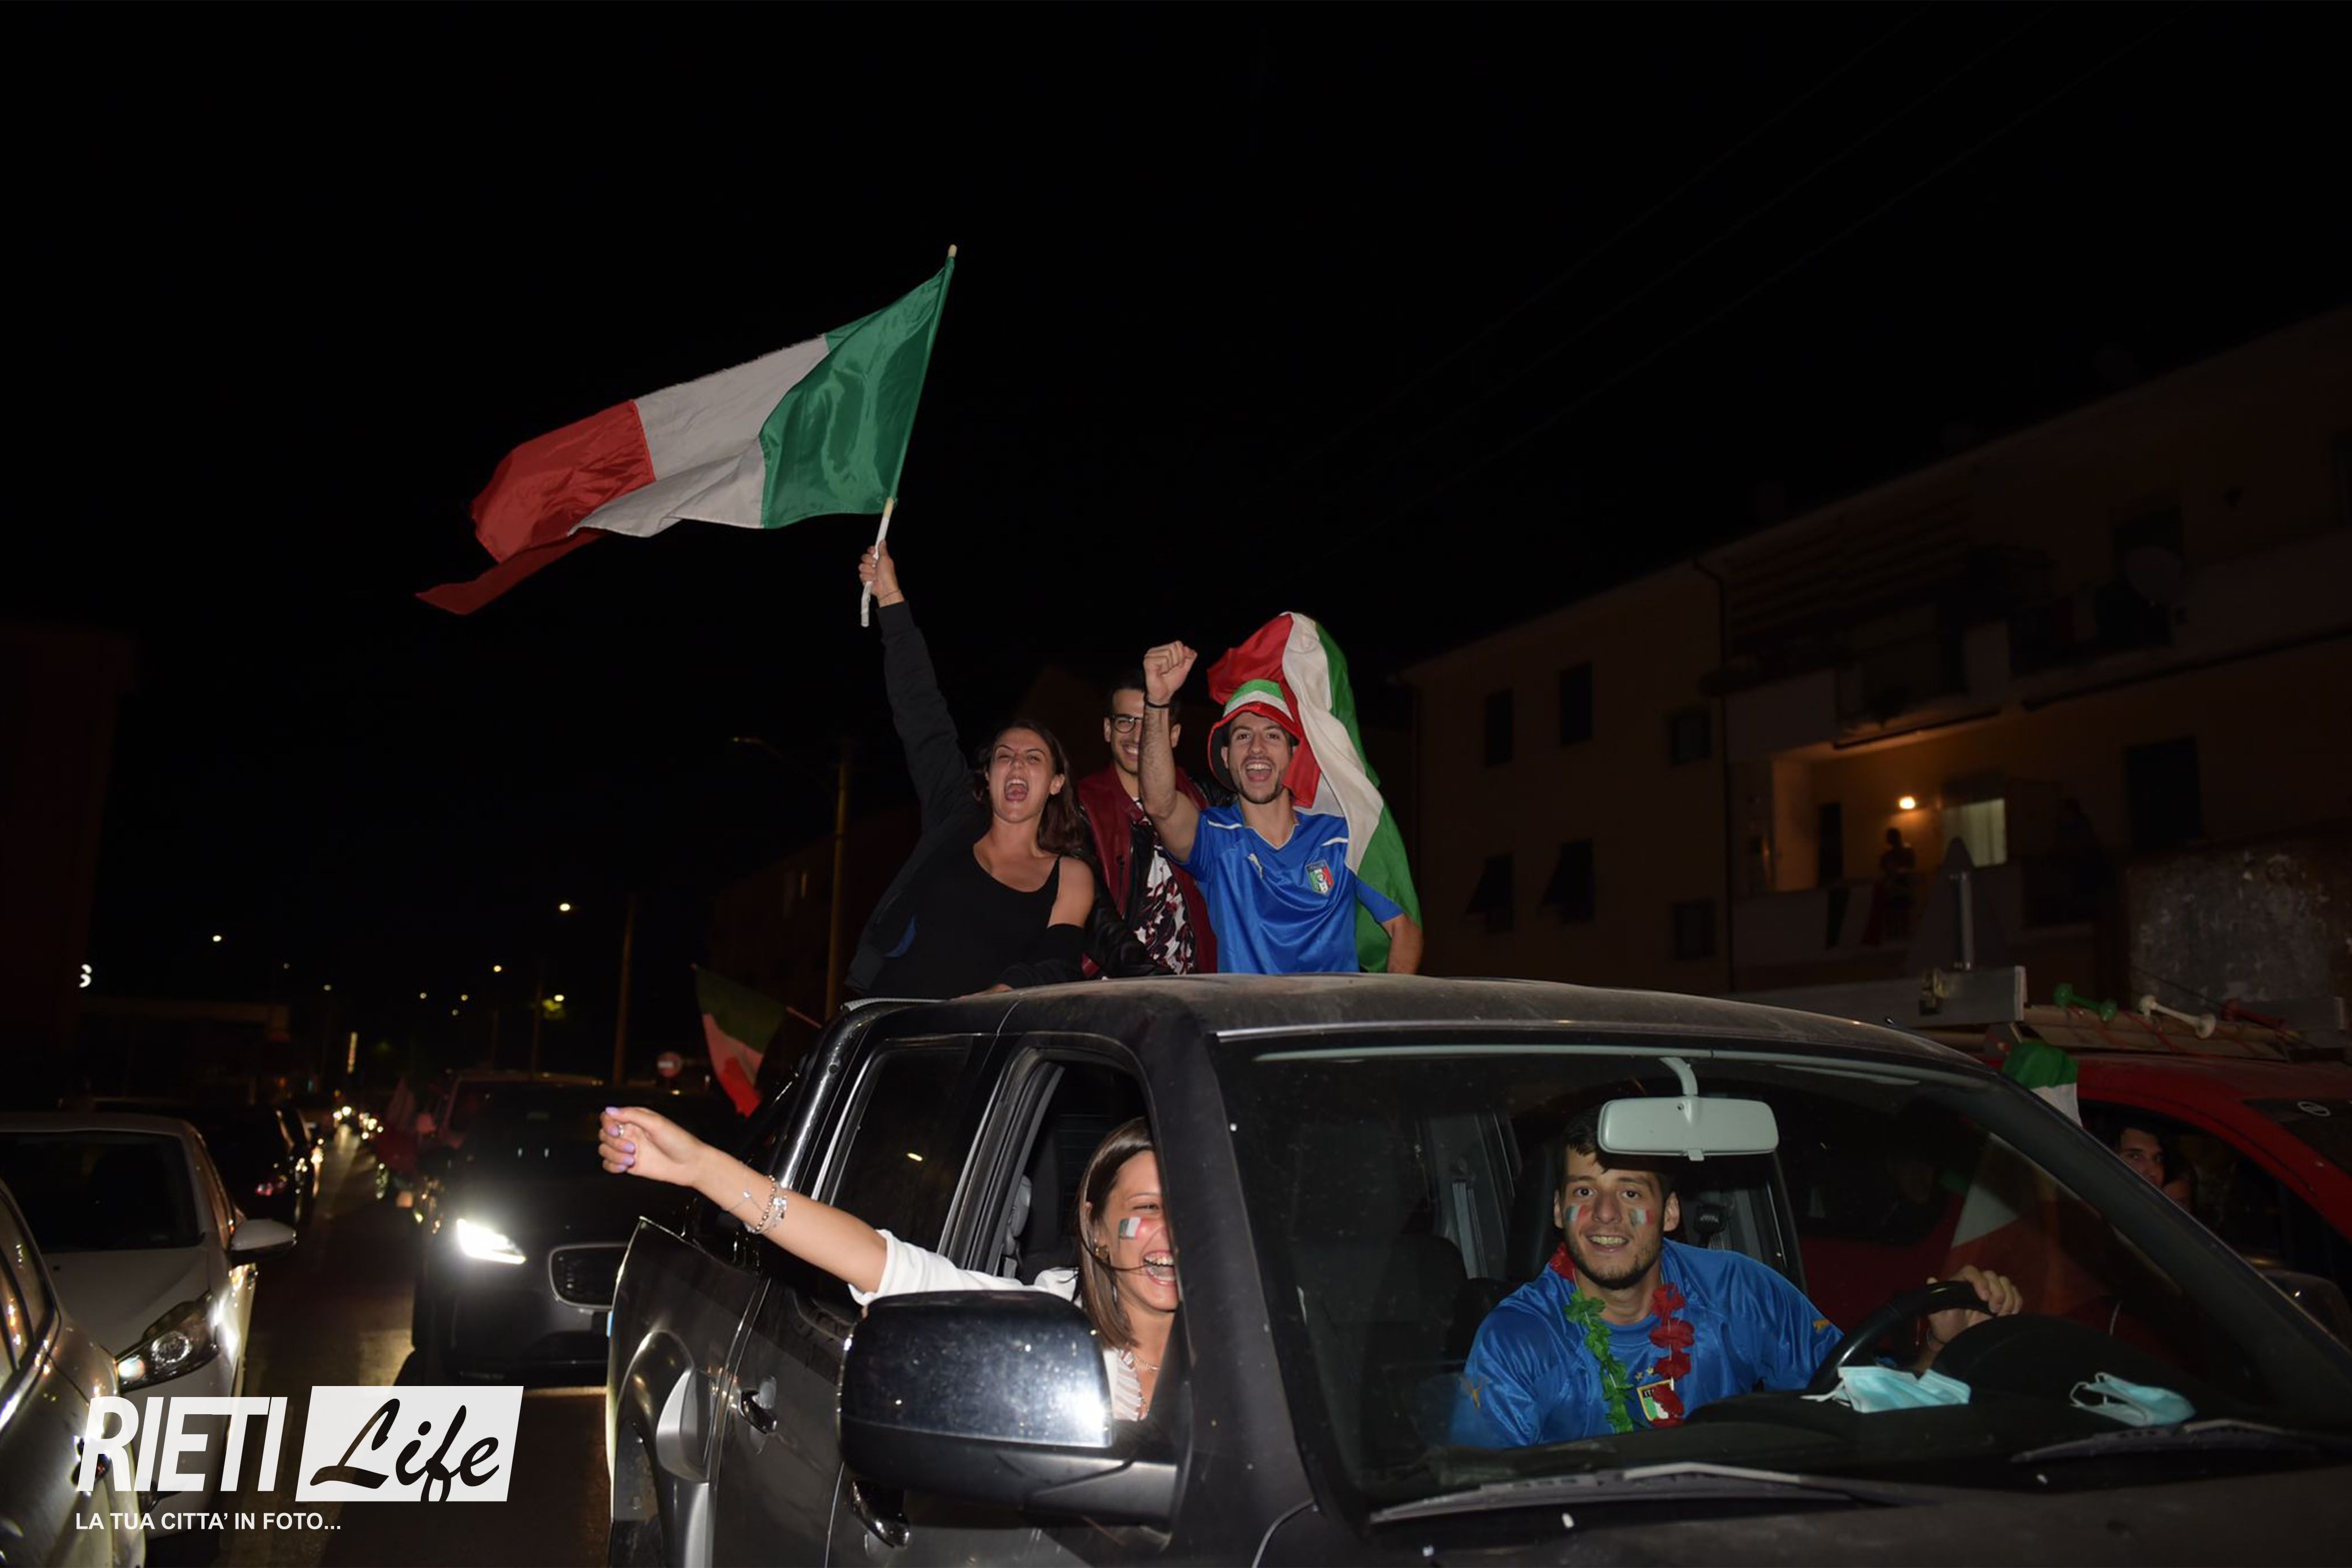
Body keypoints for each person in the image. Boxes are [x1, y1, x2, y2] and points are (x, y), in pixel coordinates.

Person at [1453, 1115, 2021, 1446]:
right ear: (1558, 1211)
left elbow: (1868, 1401)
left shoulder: (1739, 1292)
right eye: (1584, 1191)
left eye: (1629, 1192)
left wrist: (1938, 1346)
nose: (1605, 1214)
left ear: (1670, 1212)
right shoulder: (1517, 1339)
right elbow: (1484, 1511)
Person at [598, 1106, 1178, 1419]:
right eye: (1147, 1209)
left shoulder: (1235, 1349)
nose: (1174, 1235)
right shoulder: (1047, 1329)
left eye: (1193, 1210)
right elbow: (878, 1263)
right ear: (1097, 1230)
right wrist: (703, 1169)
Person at [847, 542, 1095, 998]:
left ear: (1056, 783)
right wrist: (891, 598)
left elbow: (1058, 963)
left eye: (1033, 758)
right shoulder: (956, 816)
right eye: (1004, 756)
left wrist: (997, 994)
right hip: (888, 1021)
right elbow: (923, 716)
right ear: (988, 776)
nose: (1016, 763)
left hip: (978, 1037)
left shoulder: (1071, 874)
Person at [1134, 640, 1423, 975]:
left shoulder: (1341, 836)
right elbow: (1160, 805)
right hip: (1250, 1011)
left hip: (1336, 1010)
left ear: (1293, 754)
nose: (1257, 748)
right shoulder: (1215, 838)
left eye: (1272, 736)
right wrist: (1158, 701)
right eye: (1243, 737)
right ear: (1226, 757)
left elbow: (1404, 928)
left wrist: (1383, 1007)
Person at [1075, 668, 1219, 976]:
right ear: (1108, 729)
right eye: (1126, 721)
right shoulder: (1080, 807)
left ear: (1174, 735)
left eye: (1150, 723)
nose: (1137, 735)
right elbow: (1092, 912)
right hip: (1114, 988)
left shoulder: (1203, 798)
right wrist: (1152, 981)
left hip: (1197, 987)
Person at [1876, 827, 1918, 944]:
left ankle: (1902, 940)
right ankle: (1897, 940)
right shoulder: (1888, 855)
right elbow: (1884, 869)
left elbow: (1910, 868)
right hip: (1894, 890)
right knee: (1894, 919)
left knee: (1902, 918)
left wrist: (1896, 873)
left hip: (1902, 888)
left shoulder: (1905, 853)